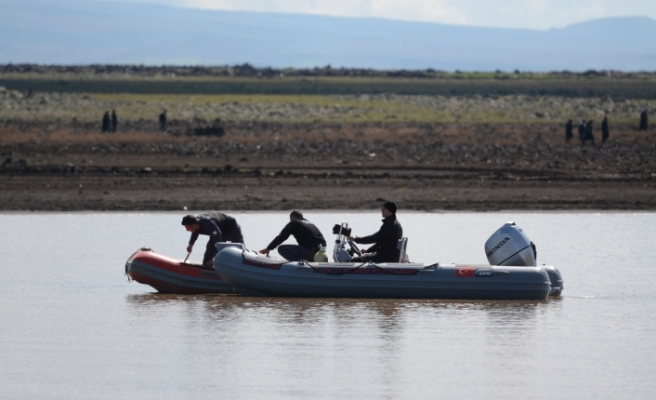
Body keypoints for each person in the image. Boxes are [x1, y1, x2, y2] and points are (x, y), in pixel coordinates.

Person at [259, 211, 326, 262]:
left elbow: (282, 236)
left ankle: (299, 264)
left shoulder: (294, 222)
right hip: (322, 254)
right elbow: (323, 240)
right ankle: (308, 262)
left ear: (293, 217)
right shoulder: (310, 223)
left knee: (281, 249)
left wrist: (268, 248)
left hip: (310, 253)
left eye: (290, 219)